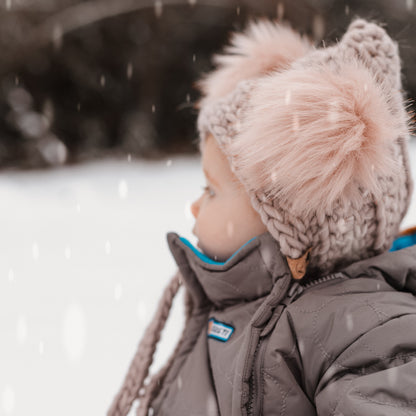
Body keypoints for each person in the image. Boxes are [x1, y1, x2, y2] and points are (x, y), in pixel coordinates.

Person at [108, 17, 416, 416]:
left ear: (289, 225)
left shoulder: (363, 331)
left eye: (212, 190)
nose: (195, 207)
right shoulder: (234, 304)